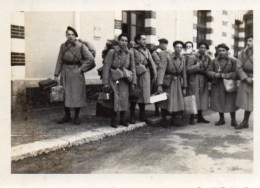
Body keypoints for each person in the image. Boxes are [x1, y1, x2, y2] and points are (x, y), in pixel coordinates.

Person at [54, 26, 95, 125]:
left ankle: (76, 116)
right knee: (65, 94)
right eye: (68, 34)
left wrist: (81, 69)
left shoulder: (81, 46)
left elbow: (90, 59)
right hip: (65, 72)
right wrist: (56, 74)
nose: (70, 36)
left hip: (76, 73)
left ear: (75, 36)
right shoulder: (63, 46)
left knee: (77, 94)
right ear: (66, 35)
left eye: (72, 35)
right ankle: (67, 116)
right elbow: (60, 60)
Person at [102, 33, 137, 128]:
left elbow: (133, 67)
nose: (124, 43)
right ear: (118, 41)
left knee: (124, 98)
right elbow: (106, 66)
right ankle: (114, 119)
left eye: (126, 41)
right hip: (114, 78)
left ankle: (122, 119)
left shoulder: (129, 53)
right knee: (114, 98)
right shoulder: (112, 52)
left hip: (124, 79)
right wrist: (105, 82)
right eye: (122, 40)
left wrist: (133, 81)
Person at [157, 41, 187, 128]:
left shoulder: (182, 58)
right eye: (177, 47)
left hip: (177, 82)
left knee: (176, 101)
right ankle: (164, 120)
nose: (179, 49)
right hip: (168, 81)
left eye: (181, 47)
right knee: (166, 101)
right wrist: (159, 84)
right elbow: (161, 70)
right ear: (174, 48)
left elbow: (184, 73)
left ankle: (174, 120)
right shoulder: (167, 57)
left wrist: (184, 86)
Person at [207, 43, 238, 127]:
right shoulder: (213, 61)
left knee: (231, 101)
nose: (221, 52)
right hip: (218, 84)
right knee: (219, 101)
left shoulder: (233, 61)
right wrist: (215, 74)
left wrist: (227, 75)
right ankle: (221, 119)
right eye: (219, 50)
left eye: (223, 50)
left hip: (229, 84)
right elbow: (208, 71)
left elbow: (236, 73)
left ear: (227, 51)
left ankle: (233, 120)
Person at [129, 34, 157, 123]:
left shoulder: (147, 50)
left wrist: (155, 74)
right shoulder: (132, 50)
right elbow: (131, 64)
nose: (145, 41)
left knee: (144, 95)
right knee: (135, 94)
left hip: (146, 73)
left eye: (145, 39)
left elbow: (151, 62)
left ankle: (142, 115)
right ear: (137, 40)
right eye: (143, 39)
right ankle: (132, 116)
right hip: (137, 74)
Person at [186, 41, 211, 125]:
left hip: (203, 78)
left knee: (202, 97)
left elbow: (209, 68)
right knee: (194, 97)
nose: (203, 49)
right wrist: (197, 67)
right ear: (198, 48)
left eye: (204, 48)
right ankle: (192, 117)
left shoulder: (208, 58)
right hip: (194, 78)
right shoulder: (192, 57)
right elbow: (188, 69)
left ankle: (200, 116)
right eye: (201, 47)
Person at [235, 35, 253, 129]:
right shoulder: (242, 53)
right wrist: (246, 78)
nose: (248, 42)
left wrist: (254, 79)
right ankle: (245, 121)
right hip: (246, 79)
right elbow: (238, 67)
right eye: (247, 40)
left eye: (250, 40)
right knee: (247, 102)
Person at [151, 38, 169, 116]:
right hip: (158, 73)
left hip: (166, 74)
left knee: (165, 93)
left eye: (165, 43)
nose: (163, 45)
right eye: (162, 43)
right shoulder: (156, 53)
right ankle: (156, 110)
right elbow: (157, 63)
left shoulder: (168, 53)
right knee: (157, 92)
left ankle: (165, 109)